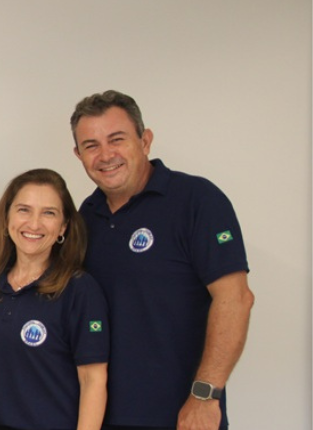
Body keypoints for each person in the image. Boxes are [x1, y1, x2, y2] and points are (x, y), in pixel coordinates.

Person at [70, 90, 255, 430]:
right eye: (91, 145)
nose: (106, 155)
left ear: (145, 141)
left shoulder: (197, 200)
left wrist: (205, 396)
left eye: (117, 139)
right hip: (99, 417)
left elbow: (236, 299)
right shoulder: (86, 217)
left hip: (182, 417)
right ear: (78, 154)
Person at [0, 169, 109, 430]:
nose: (34, 224)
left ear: (63, 227)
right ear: (7, 218)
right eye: (24, 210)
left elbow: (93, 379)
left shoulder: (79, 290)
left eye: (49, 213)